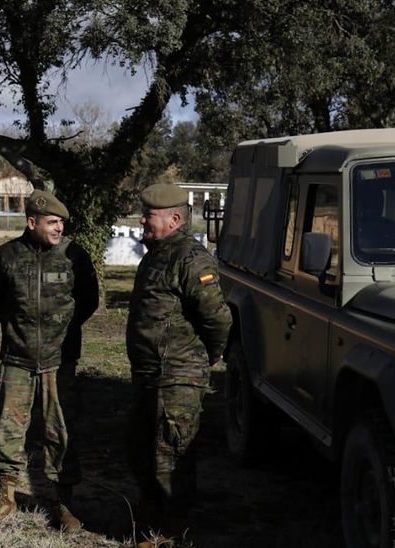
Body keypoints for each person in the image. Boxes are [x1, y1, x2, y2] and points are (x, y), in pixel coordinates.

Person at [0, 189, 98, 532]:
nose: (59, 228)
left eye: (61, 222)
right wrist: (20, 331)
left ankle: (63, 504)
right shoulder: (6, 256)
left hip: (60, 360)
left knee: (59, 430)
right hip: (18, 357)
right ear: (32, 222)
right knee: (8, 429)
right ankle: (5, 499)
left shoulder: (75, 256)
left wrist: (62, 334)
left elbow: (88, 301)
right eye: (52, 222)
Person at [125, 182, 231, 545]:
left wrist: (206, 358)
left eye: (149, 215)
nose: (142, 220)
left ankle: (173, 531)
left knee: (173, 451)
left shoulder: (190, 258)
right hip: (149, 373)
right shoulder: (157, 252)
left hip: (178, 375)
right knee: (142, 446)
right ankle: (152, 515)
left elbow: (217, 319)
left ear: (173, 219)